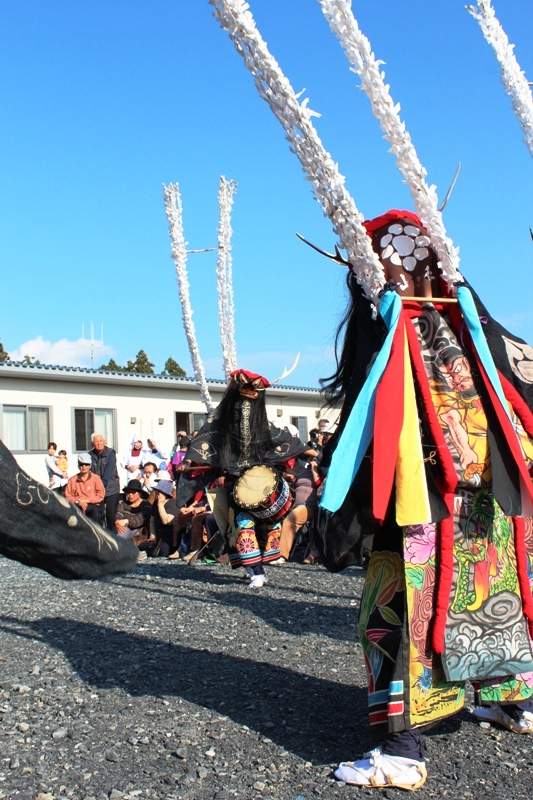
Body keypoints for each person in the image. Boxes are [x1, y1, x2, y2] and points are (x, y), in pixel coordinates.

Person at [317, 210, 533, 790]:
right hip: (491, 496)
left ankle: (401, 750)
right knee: (493, 592)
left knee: (396, 609)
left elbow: (362, 406)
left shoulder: (391, 322)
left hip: (418, 494)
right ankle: (515, 703)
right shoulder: (470, 322)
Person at [181, 369, 316, 588]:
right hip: (235, 481)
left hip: (259, 477)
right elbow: (206, 437)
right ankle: (256, 571)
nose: (250, 394)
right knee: (241, 525)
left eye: (254, 389)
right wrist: (188, 462)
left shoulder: (260, 422)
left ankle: (254, 566)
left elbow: (283, 439)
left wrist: (316, 454)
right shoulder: (222, 416)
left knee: (260, 525)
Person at [115, 479, 153, 561]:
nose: (130, 495)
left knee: (123, 533)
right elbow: (118, 516)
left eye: (133, 492)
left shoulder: (146, 505)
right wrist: (118, 522)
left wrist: (126, 521)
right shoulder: (123, 504)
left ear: (139, 493)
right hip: (125, 528)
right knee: (122, 533)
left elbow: (140, 520)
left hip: (141, 531)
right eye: (128, 492)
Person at [65, 452, 105, 524]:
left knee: (97, 515)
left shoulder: (96, 478)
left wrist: (87, 500)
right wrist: (78, 501)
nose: (84, 466)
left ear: (90, 466)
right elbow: (68, 496)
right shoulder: (72, 480)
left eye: (86, 464)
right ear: (78, 465)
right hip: (77, 505)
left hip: (93, 505)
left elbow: (101, 495)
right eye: (81, 464)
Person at [90, 433, 120, 529]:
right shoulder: (89, 455)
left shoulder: (111, 453)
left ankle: (112, 538)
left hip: (111, 488)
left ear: (104, 442)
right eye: (96, 441)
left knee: (111, 515)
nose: (99, 443)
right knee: (98, 514)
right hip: (97, 490)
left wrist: (101, 485)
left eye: (101, 441)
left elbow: (108, 472)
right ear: (92, 443)